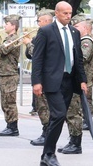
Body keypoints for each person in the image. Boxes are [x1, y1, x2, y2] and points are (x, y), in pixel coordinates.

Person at [32, 1, 87, 166]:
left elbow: (78, 59)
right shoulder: (46, 31)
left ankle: (46, 155)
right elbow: (38, 58)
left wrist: (83, 80)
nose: (68, 16)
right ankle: (49, 153)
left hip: (69, 80)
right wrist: (36, 82)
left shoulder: (74, 32)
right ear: (56, 13)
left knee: (58, 117)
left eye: (70, 13)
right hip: (52, 81)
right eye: (65, 13)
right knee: (59, 114)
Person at [57, 14, 93, 154]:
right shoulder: (79, 40)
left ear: (85, 28)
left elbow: (82, 57)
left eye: (77, 26)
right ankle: (73, 140)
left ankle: (76, 143)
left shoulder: (86, 41)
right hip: (74, 82)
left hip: (80, 83)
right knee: (70, 112)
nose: (74, 28)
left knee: (74, 113)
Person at [0, 15, 21, 137]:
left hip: (9, 75)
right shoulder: (8, 38)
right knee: (4, 102)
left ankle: (13, 127)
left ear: (13, 26)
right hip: (4, 74)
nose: (4, 26)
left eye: (7, 24)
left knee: (9, 102)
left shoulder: (14, 39)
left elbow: (2, 50)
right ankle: (9, 125)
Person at [25, 9, 55, 146]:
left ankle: (47, 133)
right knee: (41, 106)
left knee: (44, 107)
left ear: (46, 21)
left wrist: (28, 44)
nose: (37, 23)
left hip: (45, 76)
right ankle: (46, 132)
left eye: (39, 21)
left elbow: (37, 54)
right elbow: (31, 55)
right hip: (42, 75)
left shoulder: (49, 34)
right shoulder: (43, 34)